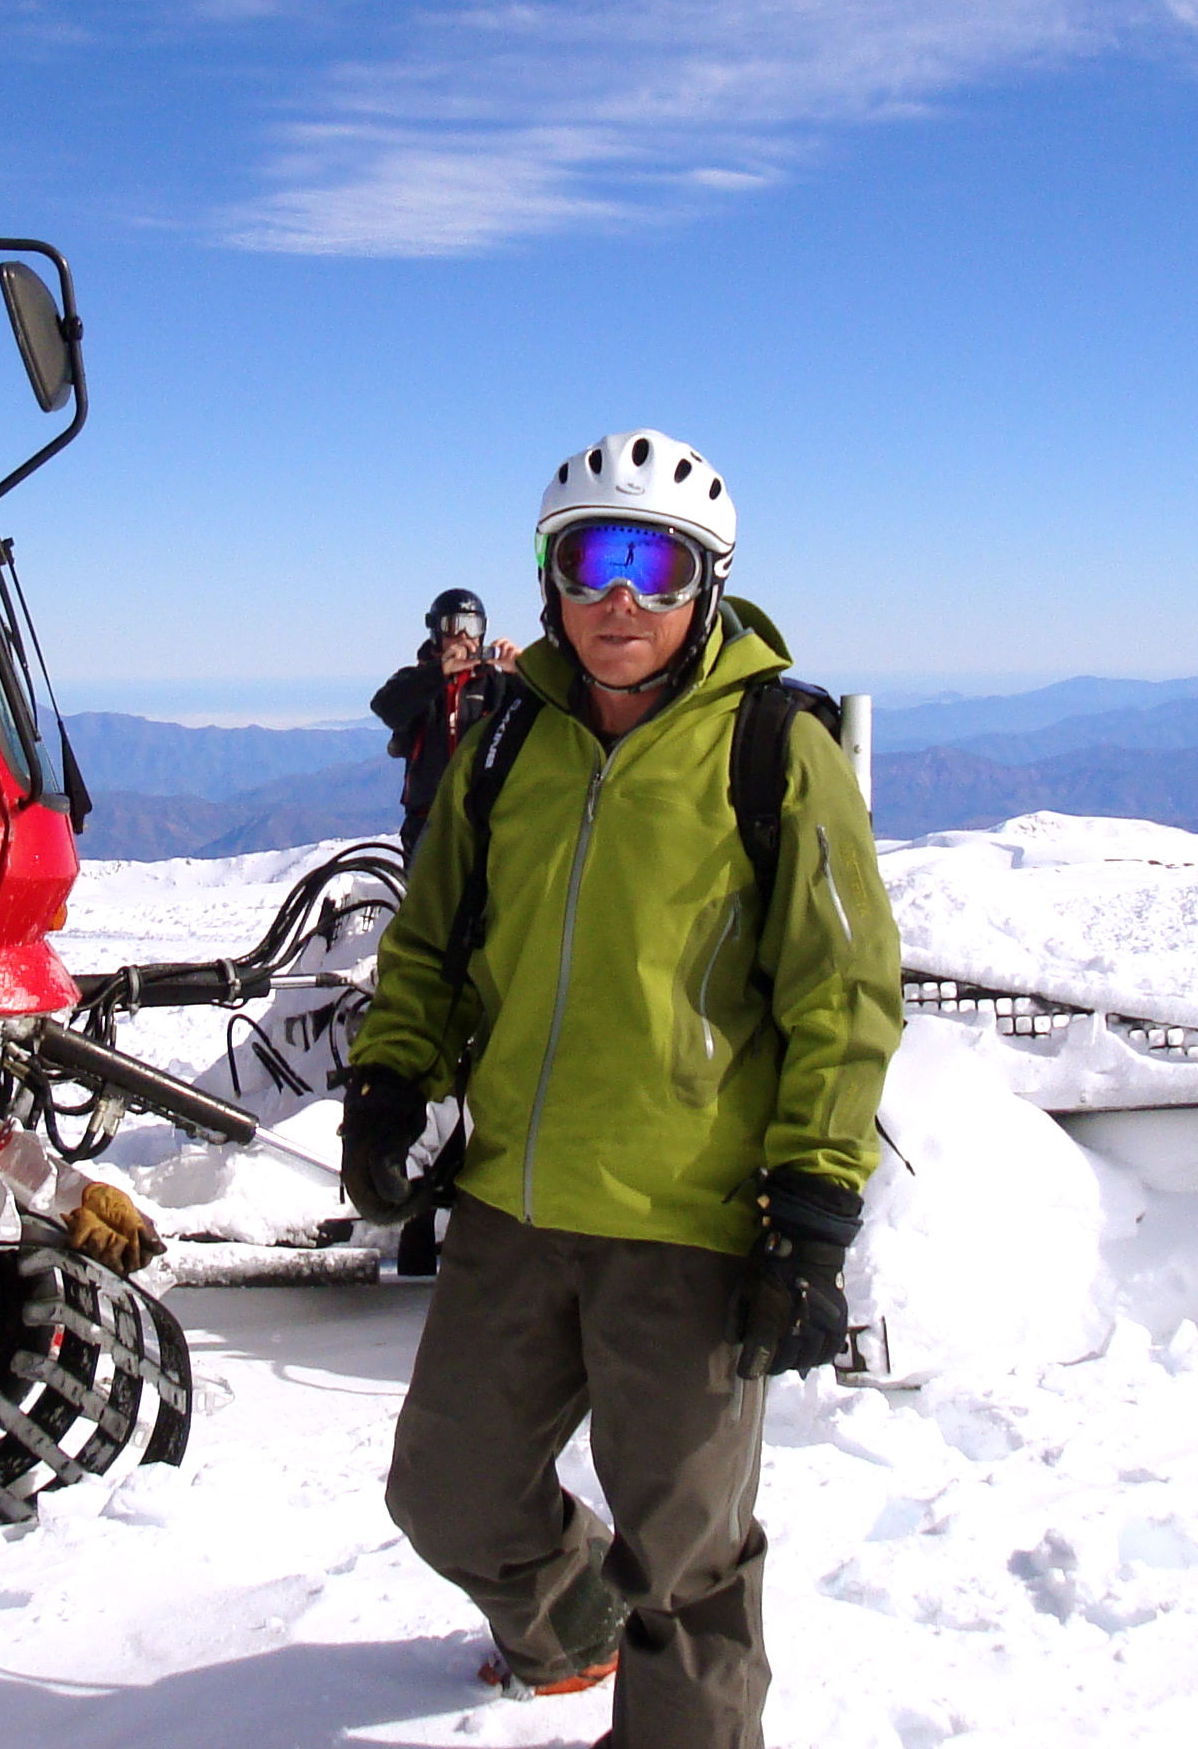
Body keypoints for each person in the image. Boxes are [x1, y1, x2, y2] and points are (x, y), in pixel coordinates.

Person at [339, 430, 902, 1749]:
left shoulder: (774, 748)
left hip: (691, 1225)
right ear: (549, 579)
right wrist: (391, 1080)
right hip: (515, 1208)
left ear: (706, 583)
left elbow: (843, 994)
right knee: (448, 1492)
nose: (621, 602)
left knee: (691, 1570)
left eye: (655, 566)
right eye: (593, 561)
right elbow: (433, 940)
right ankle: (567, 1623)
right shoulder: (505, 741)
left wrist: (813, 1211)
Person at [371, 587, 520, 858]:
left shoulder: (497, 685)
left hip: (486, 821)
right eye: (453, 626)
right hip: (428, 819)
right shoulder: (417, 682)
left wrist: (523, 671)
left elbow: (547, 714)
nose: (463, 637)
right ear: (437, 632)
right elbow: (386, 707)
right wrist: (439, 672)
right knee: (428, 897)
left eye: (471, 626)